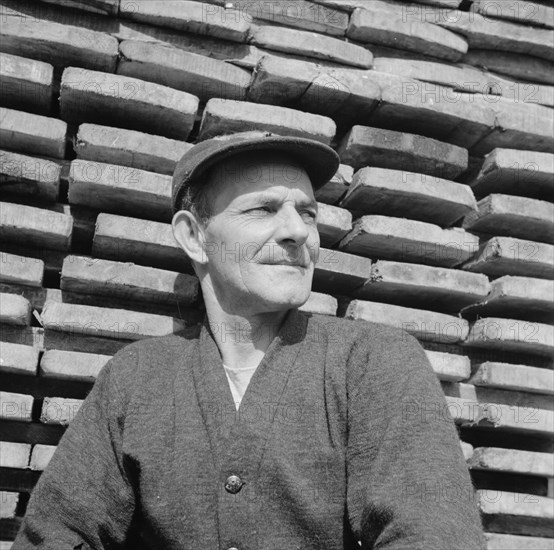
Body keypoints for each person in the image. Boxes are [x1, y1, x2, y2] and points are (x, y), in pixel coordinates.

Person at [13, 132, 485, 549]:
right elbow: (56, 534)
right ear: (194, 236)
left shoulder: (373, 363)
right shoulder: (135, 379)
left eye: (307, 213)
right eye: (262, 209)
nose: (298, 232)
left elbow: (433, 534)